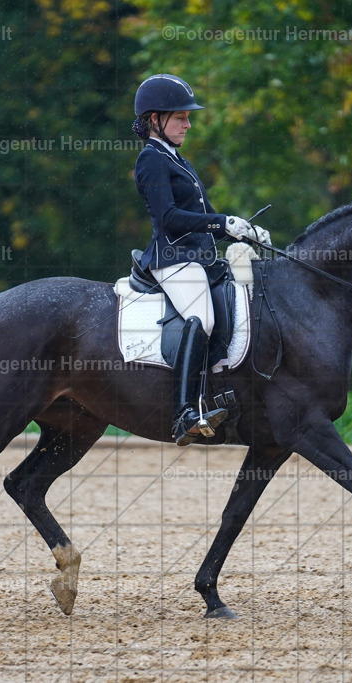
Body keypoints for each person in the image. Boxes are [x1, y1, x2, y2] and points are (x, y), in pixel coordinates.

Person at [131, 73, 270, 446]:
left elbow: (206, 218)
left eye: (188, 118)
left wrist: (241, 229)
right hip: (172, 258)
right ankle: (183, 413)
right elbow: (169, 218)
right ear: (154, 120)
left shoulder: (178, 161)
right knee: (202, 317)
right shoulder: (151, 160)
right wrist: (220, 221)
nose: (188, 124)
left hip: (199, 257)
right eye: (181, 118)